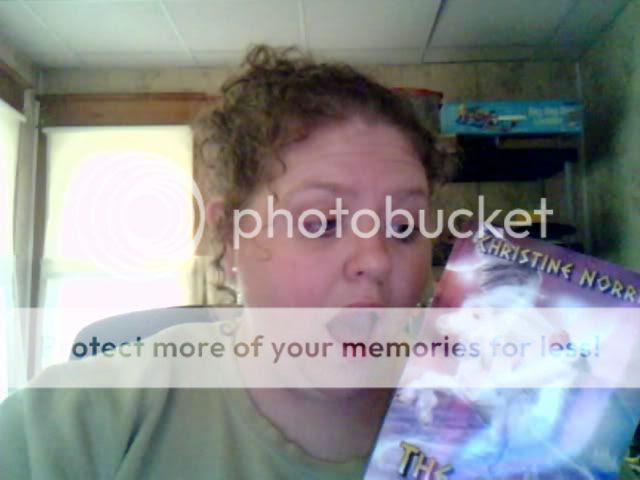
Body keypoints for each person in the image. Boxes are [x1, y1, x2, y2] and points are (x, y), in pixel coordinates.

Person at [0, 45, 447, 479]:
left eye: (404, 226)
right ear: (230, 239)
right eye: (321, 222)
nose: (377, 259)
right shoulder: (79, 421)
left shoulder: (470, 411)